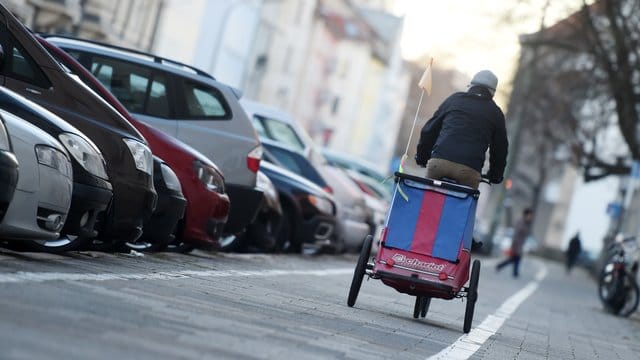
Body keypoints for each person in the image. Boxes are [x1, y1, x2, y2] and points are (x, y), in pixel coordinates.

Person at [415, 70, 508, 189]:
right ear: (492, 93)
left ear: (471, 86)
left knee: (428, 199)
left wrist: (422, 156)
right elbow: (500, 149)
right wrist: (495, 175)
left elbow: (430, 129)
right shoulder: (496, 113)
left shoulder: (454, 100)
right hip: (469, 169)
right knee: (464, 202)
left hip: (440, 162)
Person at [496, 208, 534, 278]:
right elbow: (516, 234)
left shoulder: (526, 223)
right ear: (526, 214)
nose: (531, 217)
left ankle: (502, 267)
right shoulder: (521, 222)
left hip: (520, 244)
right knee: (515, 258)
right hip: (517, 244)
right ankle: (514, 273)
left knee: (513, 259)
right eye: (530, 215)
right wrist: (514, 246)